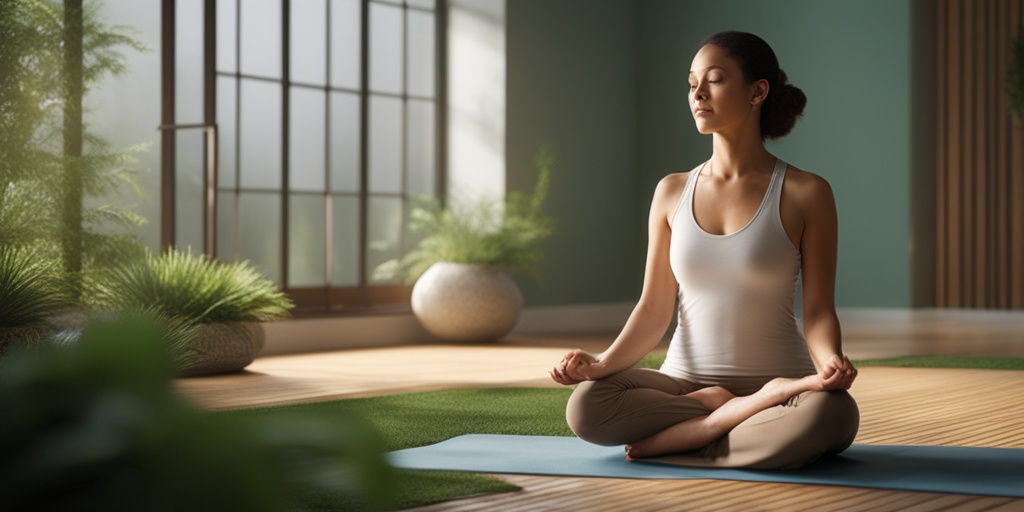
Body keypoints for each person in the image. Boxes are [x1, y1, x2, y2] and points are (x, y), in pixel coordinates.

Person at [548, 30, 860, 469]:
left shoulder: (807, 192)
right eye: (691, 82)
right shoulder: (671, 191)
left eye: (713, 79)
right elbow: (654, 309)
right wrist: (601, 364)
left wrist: (828, 365)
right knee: (587, 408)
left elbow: (819, 311)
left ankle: (683, 440)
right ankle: (720, 424)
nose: (697, 93)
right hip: (685, 387)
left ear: (758, 92)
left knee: (832, 414)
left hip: (780, 385)